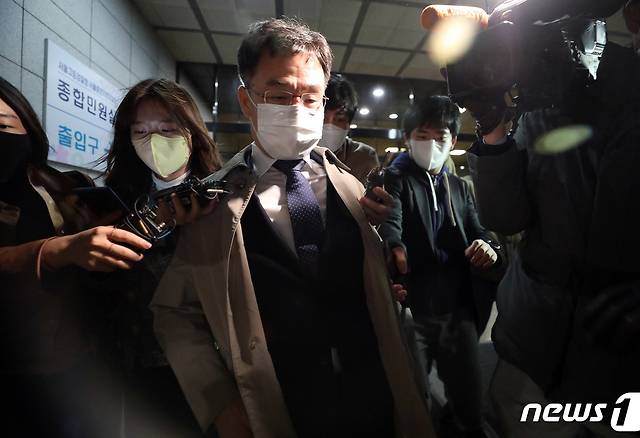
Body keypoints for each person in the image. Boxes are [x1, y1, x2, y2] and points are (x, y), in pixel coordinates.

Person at [151, 17, 432, 438]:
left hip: (371, 393)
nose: (297, 109)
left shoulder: (350, 185)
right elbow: (175, 311)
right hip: (279, 402)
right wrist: (219, 402)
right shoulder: (211, 204)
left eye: (311, 97)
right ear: (246, 100)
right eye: (280, 95)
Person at [466, 0, 640, 436]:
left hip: (627, 364)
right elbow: (506, 216)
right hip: (530, 345)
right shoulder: (548, 99)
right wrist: (492, 128)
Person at [0, 77, 151, 437]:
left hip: (82, 361)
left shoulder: (62, 185)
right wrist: (55, 251)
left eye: (2, 127)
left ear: (26, 124)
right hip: (17, 371)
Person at [100, 78, 220, 438]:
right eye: (140, 131)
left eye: (167, 129)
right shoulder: (117, 199)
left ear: (192, 133)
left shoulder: (222, 196)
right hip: (136, 359)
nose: (154, 142)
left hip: (206, 363)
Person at [379, 95, 502, 438]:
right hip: (412, 309)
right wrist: (394, 248)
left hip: (457, 309)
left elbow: (481, 230)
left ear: (453, 141)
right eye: (423, 135)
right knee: (412, 400)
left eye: (440, 137)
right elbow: (390, 221)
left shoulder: (460, 187)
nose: (431, 144)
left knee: (470, 401)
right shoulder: (394, 179)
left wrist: (488, 247)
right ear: (408, 138)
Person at [318, 73, 379, 184]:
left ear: (349, 125)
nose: (328, 126)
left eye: (340, 119)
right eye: (322, 117)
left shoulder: (363, 157)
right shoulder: (294, 153)